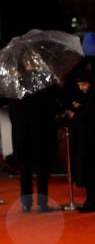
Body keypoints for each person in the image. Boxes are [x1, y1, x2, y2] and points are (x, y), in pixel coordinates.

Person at [9, 62, 58, 212]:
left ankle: (26, 204)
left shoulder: (16, 85)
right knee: (42, 170)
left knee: (25, 170)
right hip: (41, 133)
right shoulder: (44, 82)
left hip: (23, 135)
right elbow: (52, 107)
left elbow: (12, 111)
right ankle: (42, 204)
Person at [67, 72, 95, 213]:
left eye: (84, 84)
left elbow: (88, 117)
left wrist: (75, 113)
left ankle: (92, 202)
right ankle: (90, 201)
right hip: (86, 139)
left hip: (91, 140)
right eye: (80, 85)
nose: (82, 87)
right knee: (88, 170)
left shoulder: (94, 97)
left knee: (90, 170)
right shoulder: (86, 97)